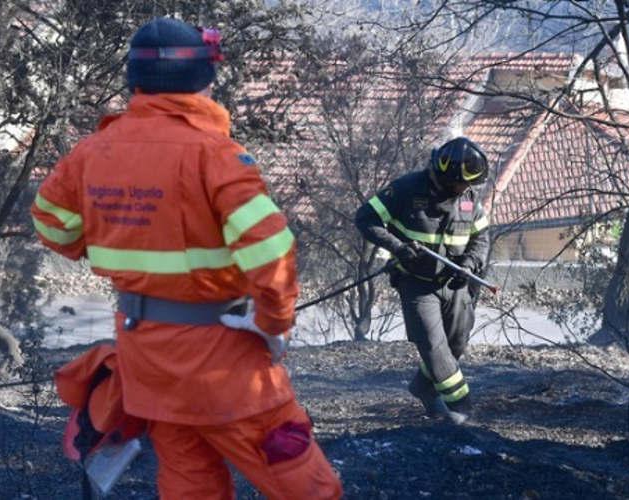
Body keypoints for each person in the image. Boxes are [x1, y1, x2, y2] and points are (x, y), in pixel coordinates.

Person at [31, 17, 342, 500]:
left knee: (189, 484)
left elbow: (51, 224)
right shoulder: (213, 155)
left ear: (133, 78)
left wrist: (118, 240)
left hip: (148, 362)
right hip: (226, 365)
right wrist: (274, 323)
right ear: (204, 79)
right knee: (307, 485)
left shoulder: (92, 152)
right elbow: (271, 248)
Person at [354, 137, 491, 424]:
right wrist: (398, 248)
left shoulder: (468, 198)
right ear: (446, 175)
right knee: (433, 345)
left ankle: (423, 388)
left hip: (455, 283)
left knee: (455, 344)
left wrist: (469, 263)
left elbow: (481, 237)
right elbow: (365, 218)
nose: (466, 190)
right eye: (462, 184)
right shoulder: (406, 189)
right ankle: (462, 408)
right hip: (416, 283)